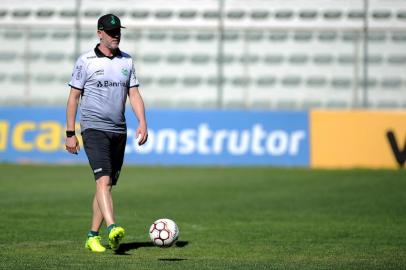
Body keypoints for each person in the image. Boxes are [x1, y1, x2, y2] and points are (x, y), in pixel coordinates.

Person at [65, 14, 148, 252]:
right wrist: (71, 132)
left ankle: (92, 236)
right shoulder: (86, 61)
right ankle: (112, 227)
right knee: (103, 180)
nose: (116, 36)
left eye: (118, 31)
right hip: (93, 128)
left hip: (118, 130)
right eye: (111, 32)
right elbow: (73, 98)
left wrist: (142, 121)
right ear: (99, 33)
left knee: (107, 185)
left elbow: (133, 94)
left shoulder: (127, 61)